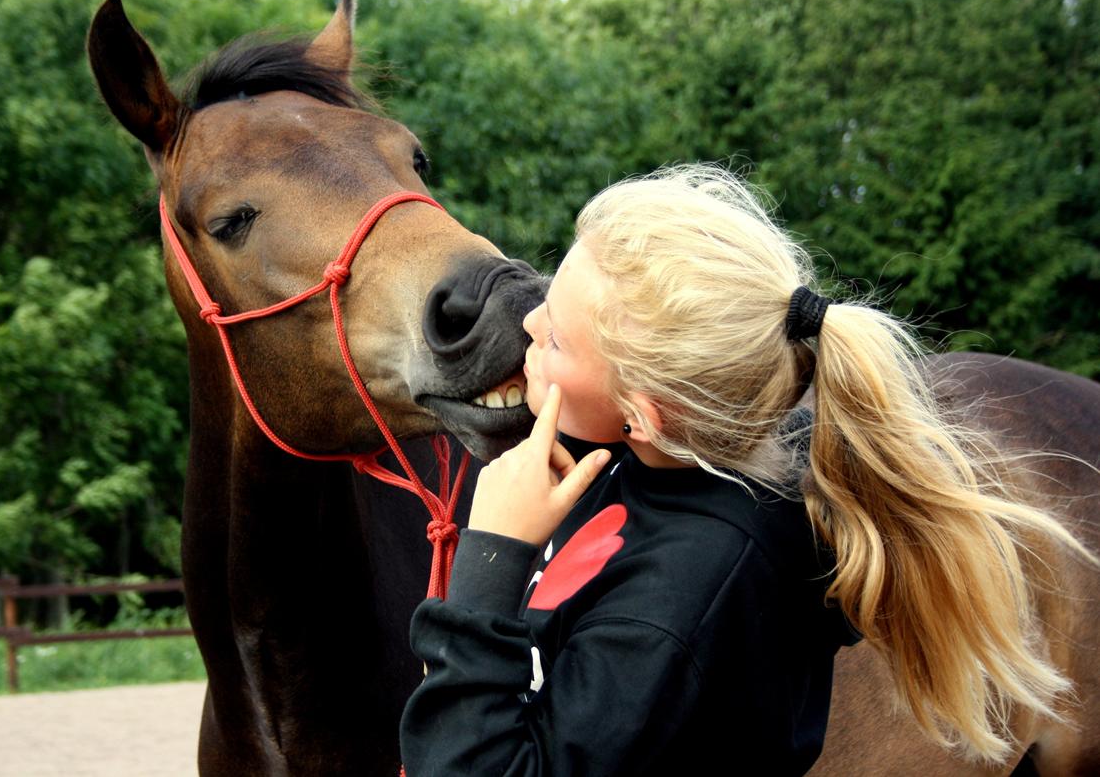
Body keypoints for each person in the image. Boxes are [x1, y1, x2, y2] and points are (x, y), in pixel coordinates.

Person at [398, 165, 1085, 775]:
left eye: (557, 338)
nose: (529, 327)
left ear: (644, 415)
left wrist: (491, 559)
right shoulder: (645, 455)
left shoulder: (680, 609)